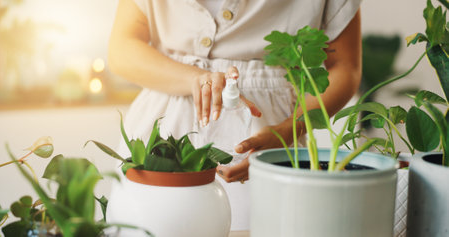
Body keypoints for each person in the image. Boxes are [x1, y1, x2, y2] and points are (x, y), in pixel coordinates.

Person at [108, 0, 362, 231]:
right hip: (161, 127)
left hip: (269, 140)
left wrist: (288, 130)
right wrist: (195, 78)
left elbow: (345, 66)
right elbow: (122, 48)